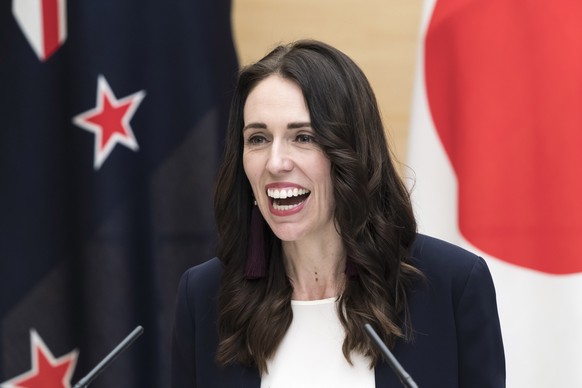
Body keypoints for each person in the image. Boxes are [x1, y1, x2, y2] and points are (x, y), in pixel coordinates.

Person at [171, 40, 505, 388]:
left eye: (303, 137)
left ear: (351, 154)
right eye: (258, 139)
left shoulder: (451, 285)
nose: (275, 162)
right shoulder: (203, 296)